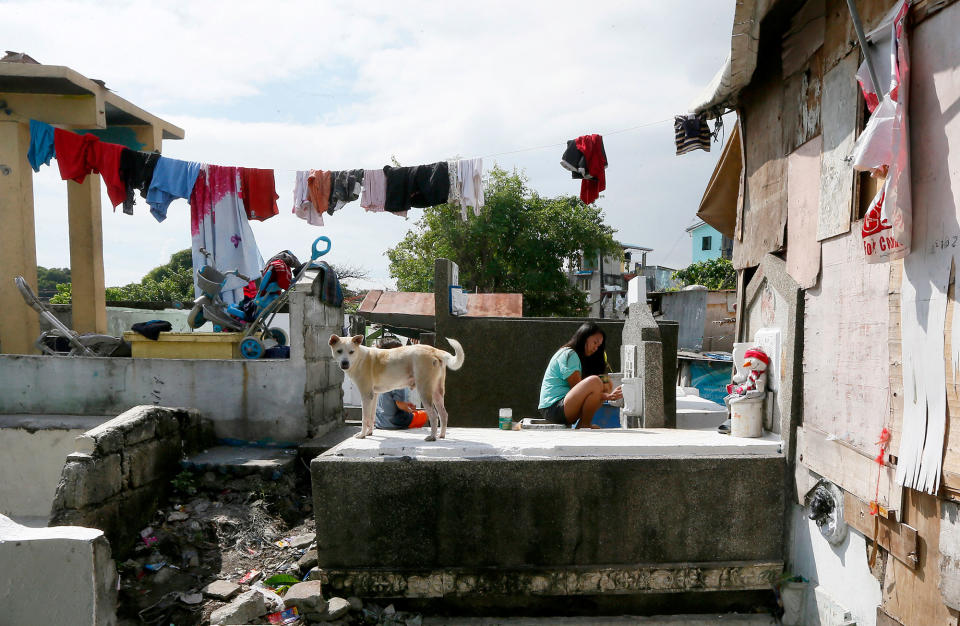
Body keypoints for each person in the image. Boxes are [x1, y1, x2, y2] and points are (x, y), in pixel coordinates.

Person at [538, 322, 622, 428]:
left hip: (564, 406)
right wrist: (606, 396)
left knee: (606, 381)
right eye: (595, 342)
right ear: (584, 337)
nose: (596, 348)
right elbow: (576, 386)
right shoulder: (569, 354)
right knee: (595, 381)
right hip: (553, 408)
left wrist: (606, 390)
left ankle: (583, 423)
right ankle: (585, 424)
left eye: (599, 345)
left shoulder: (579, 357)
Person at [374, 337, 429, 430]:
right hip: (394, 423)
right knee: (426, 415)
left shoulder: (380, 373)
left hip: (380, 422)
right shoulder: (399, 375)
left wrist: (407, 405)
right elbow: (400, 404)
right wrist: (409, 410)